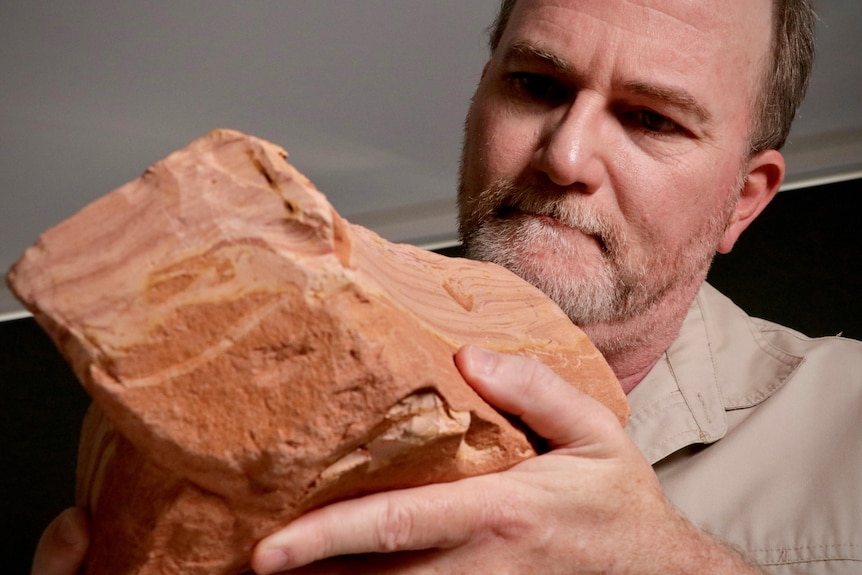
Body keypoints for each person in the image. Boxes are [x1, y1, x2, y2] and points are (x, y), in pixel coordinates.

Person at [33, 0, 862, 573]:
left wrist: (657, 559)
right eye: (537, 86)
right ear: (478, 102)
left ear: (744, 199)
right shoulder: (223, 385)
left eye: (650, 119)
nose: (565, 157)